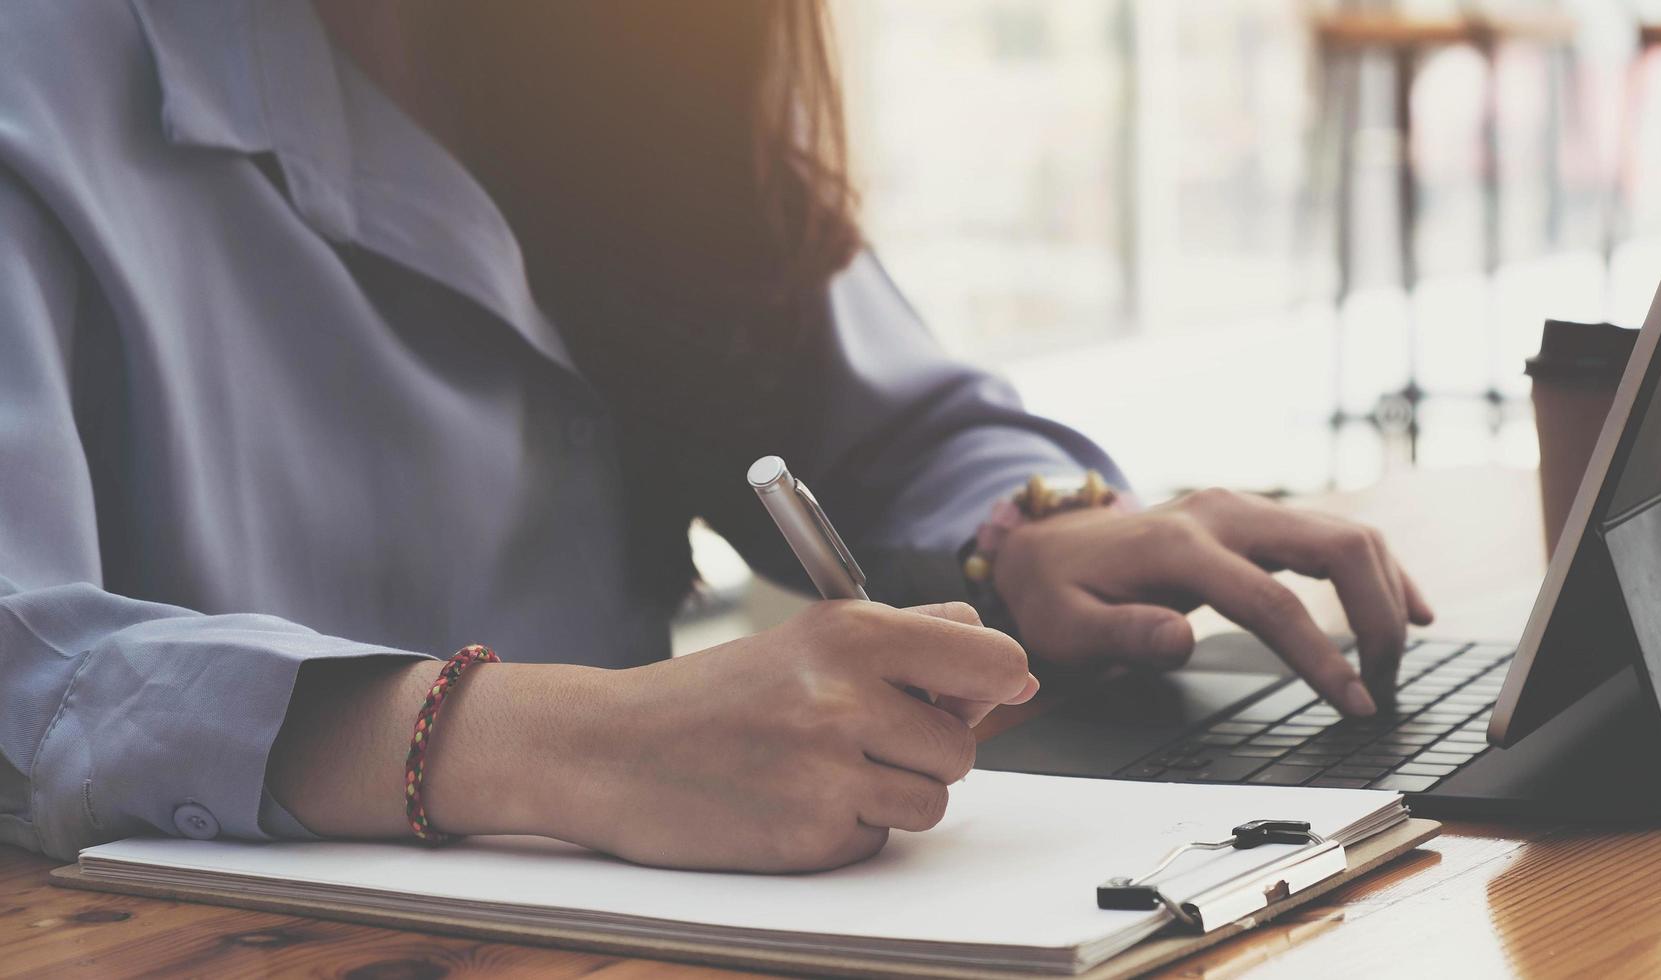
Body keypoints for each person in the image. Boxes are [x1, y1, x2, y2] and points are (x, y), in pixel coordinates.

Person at [0, 0, 1431, 873]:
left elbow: (886, 410)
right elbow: (29, 665)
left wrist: (1036, 526)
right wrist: (568, 745)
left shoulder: (630, 51)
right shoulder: (42, 79)